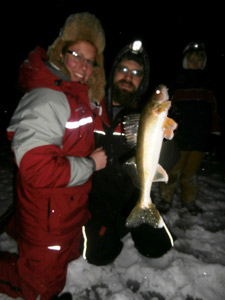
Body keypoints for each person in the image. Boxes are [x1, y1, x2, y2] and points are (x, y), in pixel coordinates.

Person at [0, 12, 107, 300]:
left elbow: (101, 128)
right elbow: (36, 168)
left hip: (64, 211)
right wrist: (89, 165)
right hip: (47, 216)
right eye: (76, 56)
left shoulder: (77, 96)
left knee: (52, 267)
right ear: (61, 52)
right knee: (38, 286)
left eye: (89, 61)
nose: (83, 67)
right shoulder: (48, 98)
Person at [83, 40, 180, 266]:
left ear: (142, 81)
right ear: (113, 72)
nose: (129, 77)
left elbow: (171, 160)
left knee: (157, 248)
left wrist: (167, 139)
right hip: (96, 197)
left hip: (132, 192)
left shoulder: (144, 114)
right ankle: (115, 226)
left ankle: (130, 218)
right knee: (99, 256)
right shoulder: (90, 107)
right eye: (123, 70)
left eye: (136, 73)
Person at [158, 42, 222, 215]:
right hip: (179, 137)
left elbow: (215, 110)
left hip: (200, 138)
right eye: (192, 60)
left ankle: (188, 202)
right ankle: (166, 199)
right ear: (186, 61)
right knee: (173, 171)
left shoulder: (209, 83)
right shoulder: (177, 81)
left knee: (191, 174)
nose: (196, 63)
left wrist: (215, 134)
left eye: (199, 60)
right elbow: (164, 107)